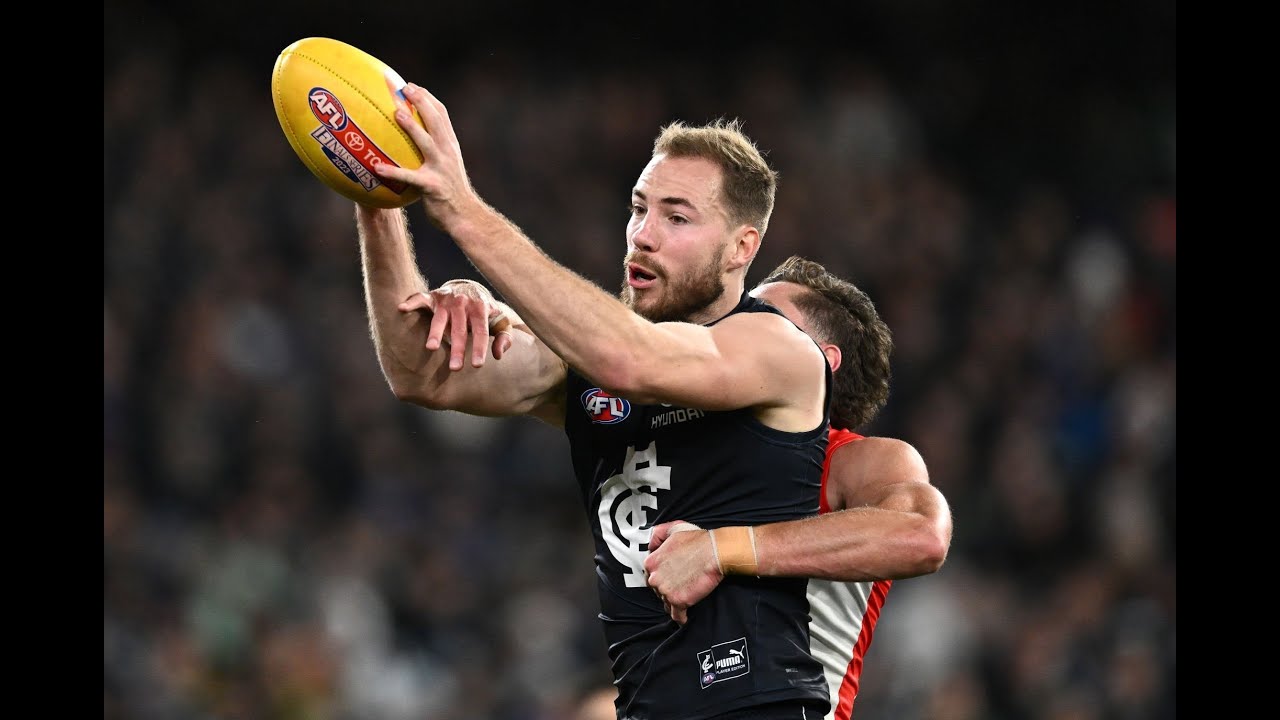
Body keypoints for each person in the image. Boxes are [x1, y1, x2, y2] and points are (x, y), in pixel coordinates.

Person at [355, 82, 832, 719]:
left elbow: (628, 358)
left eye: (677, 217)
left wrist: (463, 211)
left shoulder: (775, 349)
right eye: (639, 208)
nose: (643, 235)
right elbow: (421, 375)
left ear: (741, 248)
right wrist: (374, 195)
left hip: (756, 705)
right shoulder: (582, 359)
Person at [644, 256, 953, 720]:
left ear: (822, 363)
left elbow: (921, 534)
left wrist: (722, 548)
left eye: (764, 322)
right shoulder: (693, 447)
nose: (737, 333)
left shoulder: (855, 458)